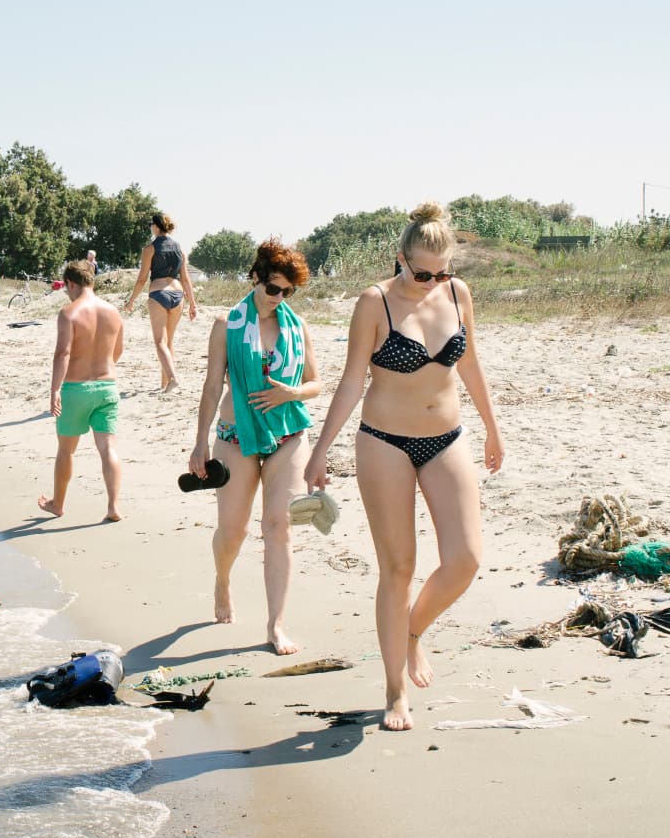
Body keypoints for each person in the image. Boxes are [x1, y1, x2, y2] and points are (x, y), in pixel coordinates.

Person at [303, 202, 504, 731]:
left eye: (442, 272)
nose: (432, 281)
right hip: (384, 442)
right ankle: (394, 692)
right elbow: (351, 381)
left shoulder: (458, 295)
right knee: (398, 570)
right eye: (421, 273)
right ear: (400, 259)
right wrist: (322, 449)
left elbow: (472, 362)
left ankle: (412, 631)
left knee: (464, 559)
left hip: (447, 438)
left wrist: (492, 427)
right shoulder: (375, 303)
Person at [189, 240, 321, 655]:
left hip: (287, 434)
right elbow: (212, 387)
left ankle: (275, 624)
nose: (279, 298)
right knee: (233, 530)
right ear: (255, 278)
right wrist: (198, 445)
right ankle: (223, 581)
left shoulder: (297, 328)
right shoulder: (226, 325)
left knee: (278, 526)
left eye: (287, 292)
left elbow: (316, 385)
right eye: (273, 289)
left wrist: (291, 393)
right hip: (234, 436)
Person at [39, 261, 125, 522]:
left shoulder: (69, 313)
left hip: (76, 389)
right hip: (107, 387)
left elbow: (63, 353)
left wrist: (55, 390)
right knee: (108, 448)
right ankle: (113, 507)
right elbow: (117, 351)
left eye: (67, 288)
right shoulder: (113, 312)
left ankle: (58, 504)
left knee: (66, 450)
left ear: (71, 284)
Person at [124, 212, 199, 392]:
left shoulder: (150, 249)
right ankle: (164, 384)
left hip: (159, 293)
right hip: (178, 294)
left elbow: (142, 279)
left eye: (151, 224)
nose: (151, 227)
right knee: (169, 342)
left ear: (156, 226)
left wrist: (131, 300)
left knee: (159, 342)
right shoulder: (180, 249)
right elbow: (186, 278)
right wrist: (193, 304)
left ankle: (172, 378)